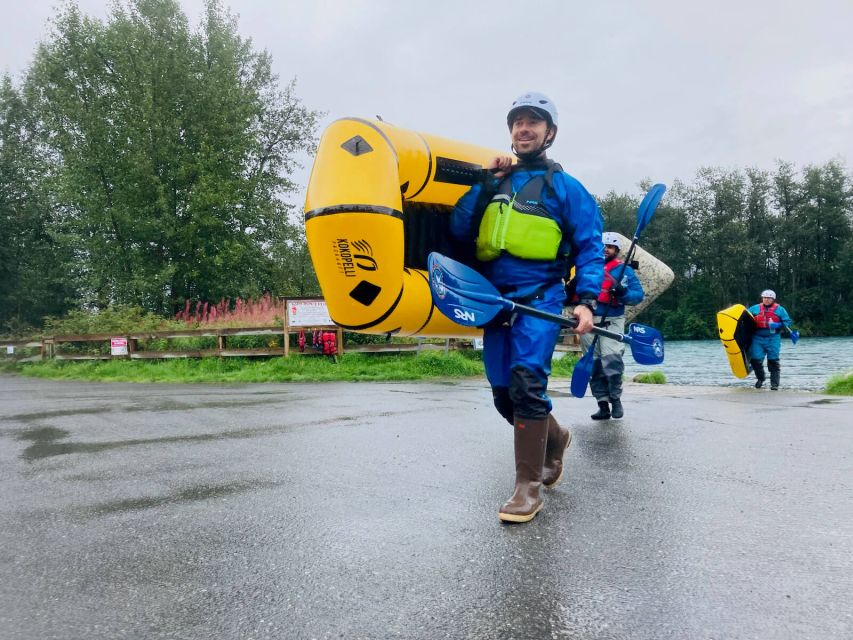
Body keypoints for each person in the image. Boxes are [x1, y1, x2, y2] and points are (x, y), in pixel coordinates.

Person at [449, 92, 604, 523]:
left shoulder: (566, 188)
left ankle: (526, 489)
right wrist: (482, 182)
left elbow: (591, 248)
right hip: (494, 299)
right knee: (504, 397)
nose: (524, 128)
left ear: (549, 133)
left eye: (534, 122)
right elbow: (460, 227)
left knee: (526, 384)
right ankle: (555, 440)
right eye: (518, 122)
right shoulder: (495, 183)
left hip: (540, 298)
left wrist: (587, 301)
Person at [578, 232, 644, 420]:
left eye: (610, 247)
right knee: (594, 364)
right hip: (589, 321)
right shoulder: (589, 268)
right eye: (603, 246)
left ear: (616, 250)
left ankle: (615, 400)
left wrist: (623, 292)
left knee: (612, 360)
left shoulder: (624, 271)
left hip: (612, 321)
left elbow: (638, 295)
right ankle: (602, 404)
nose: (606, 249)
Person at [748, 289, 796, 390]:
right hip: (757, 337)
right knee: (755, 360)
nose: (766, 299)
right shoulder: (755, 308)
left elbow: (788, 321)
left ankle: (774, 384)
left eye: (768, 298)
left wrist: (778, 324)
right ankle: (761, 378)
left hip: (773, 337)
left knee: (773, 360)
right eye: (764, 298)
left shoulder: (780, 309)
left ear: (773, 299)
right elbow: (745, 317)